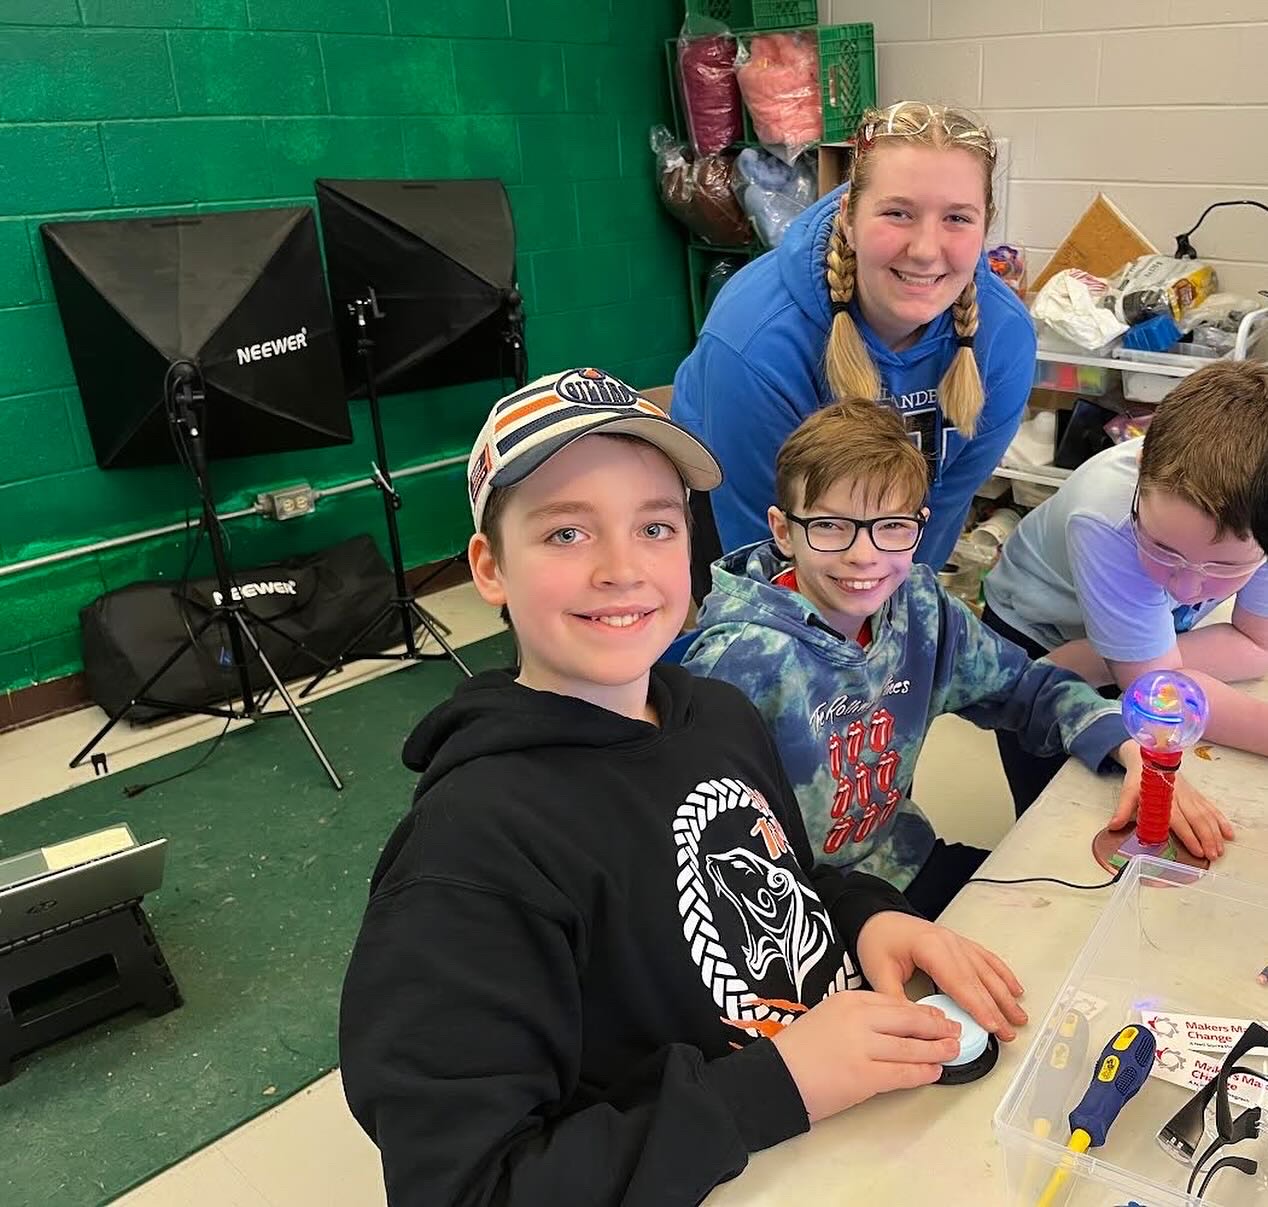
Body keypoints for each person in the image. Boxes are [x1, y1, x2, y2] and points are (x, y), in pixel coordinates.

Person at [339, 368, 1027, 1207]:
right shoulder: (467, 858)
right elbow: (469, 1188)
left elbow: (793, 880)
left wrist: (866, 913)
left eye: (656, 527)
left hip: (853, 1142)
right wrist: (777, 1086)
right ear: (490, 567)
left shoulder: (717, 714)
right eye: (565, 534)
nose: (622, 569)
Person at [681, 400, 1226, 920]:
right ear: (783, 530)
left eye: (891, 526)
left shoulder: (920, 607)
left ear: (919, 525)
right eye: (829, 525)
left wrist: (1127, 746)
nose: (863, 555)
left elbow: (1025, 689)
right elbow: (703, 849)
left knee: (1076, 917)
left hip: (901, 864)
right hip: (798, 915)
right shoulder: (741, 661)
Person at [672, 100, 1037, 600]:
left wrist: (897, 631)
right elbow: (760, 554)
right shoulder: (755, 344)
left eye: (957, 218)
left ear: (985, 225)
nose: (927, 250)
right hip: (745, 513)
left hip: (888, 520)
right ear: (848, 216)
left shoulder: (1005, 340)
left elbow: (946, 503)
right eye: (897, 213)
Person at [983, 360, 1268, 821]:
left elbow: (1257, 646)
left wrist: (1101, 661)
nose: (1187, 585)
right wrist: (1141, 670)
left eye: (1224, 565)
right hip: (1036, 633)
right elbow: (1159, 693)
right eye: (1163, 548)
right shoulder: (1105, 519)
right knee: (1057, 808)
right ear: (1141, 461)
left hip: (1118, 643)